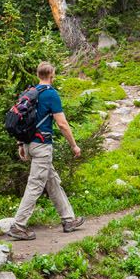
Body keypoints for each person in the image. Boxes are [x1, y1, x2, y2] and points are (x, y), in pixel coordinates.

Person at [8, 61, 84, 241]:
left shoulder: (29, 93)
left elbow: (21, 120)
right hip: (42, 146)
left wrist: (21, 145)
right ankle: (18, 226)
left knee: (52, 181)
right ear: (52, 75)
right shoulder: (51, 94)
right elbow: (62, 124)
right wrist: (74, 145)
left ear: (38, 75)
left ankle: (68, 219)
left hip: (28, 144)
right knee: (35, 185)